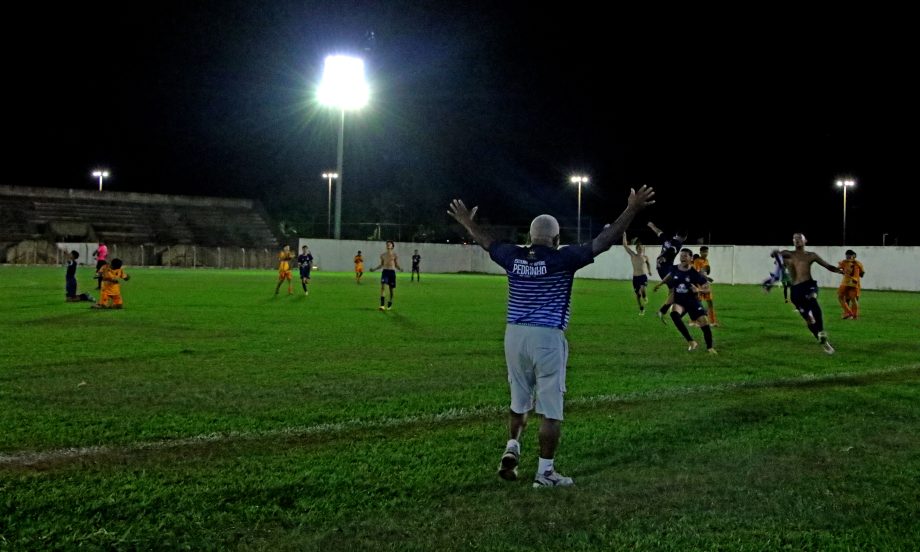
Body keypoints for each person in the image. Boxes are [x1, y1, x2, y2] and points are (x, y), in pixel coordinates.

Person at [447, 185, 656, 488]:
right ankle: (545, 473)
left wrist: (467, 222)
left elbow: (487, 242)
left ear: (530, 237)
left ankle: (512, 447)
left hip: (513, 336)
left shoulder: (512, 256)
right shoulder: (563, 258)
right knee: (551, 410)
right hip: (546, 336)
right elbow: (604, 241)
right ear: (557, 240)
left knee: (519, 399)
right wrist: (633, 208)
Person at [774, 233, 843, 354]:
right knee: (809, 320)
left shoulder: (811, 256)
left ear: (805, 240)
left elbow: (827, 266)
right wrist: (776, 256)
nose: (797, 240)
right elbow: (777, 256)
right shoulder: (788, 254)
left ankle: (821, 331)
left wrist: (839, 271)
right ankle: (822, 340)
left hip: (808, 285)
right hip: (795, 290)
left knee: (813, 299)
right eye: (795, 238)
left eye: (799, 238)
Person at [653, 248, 717, 353]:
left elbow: (708, 288)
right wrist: (660, 284)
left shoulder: (695, 273)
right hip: (680, 301)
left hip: (693, 302)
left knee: (704, 323)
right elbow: (669, 276)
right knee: (674, 313)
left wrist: (698, 289)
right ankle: (691, 342)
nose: (682, 257)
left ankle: (710, 348)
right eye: (681, 256)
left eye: (685, 256)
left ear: (691, 258)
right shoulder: (674, 268)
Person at [647, 222, 687, 323]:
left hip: (662, 267)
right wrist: (664, 256)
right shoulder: (678, 243)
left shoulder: (667, 239)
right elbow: (671, 250)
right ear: (684, 237)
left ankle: (664, 310)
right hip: (666, 269)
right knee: (676, 291)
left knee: (672, 290)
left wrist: (652, 226)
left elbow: (658, 232)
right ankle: (662, 311)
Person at [622, 234, 652, 315]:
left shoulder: (645, 257)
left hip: (643, 276)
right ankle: (641, 309)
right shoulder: (633, 255)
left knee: (643, 290)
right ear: (636, 249)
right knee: (638, 296)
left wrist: (649, 271)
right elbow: (625, 245)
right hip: (635, 278)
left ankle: (645, 297)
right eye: (638, 248)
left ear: (643, 249)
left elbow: (648, 264)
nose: (640, 249)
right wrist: (624, 235)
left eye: (641, 248)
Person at [370, 241, 402, 310]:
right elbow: (381, 264)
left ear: (392, 246)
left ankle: (390, 302)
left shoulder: (394, 255)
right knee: (383, 287)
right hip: (385, 272)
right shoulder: (382, 255)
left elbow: (396, 265)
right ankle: (382, 305)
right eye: (387, 244)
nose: (388, 245)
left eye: (390, 244)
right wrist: (374, 269)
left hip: (392, 272)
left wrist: (400, 268)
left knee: (391, 289)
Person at [692, 246, 719, 326]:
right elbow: (697, 272)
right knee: (698, 303)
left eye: (706, 252)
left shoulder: (706, 260)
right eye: (704, 252)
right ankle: (697, 321)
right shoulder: (697, 261)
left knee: (710, 302)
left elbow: (705, 272)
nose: (705, 253)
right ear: (700, 252)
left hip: (706, 284)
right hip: (699, 284)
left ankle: (713, 321)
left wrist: (707, 278)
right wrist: (708, 278)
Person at [837, 249, 866, 319]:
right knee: (854, 299)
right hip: (855, 283)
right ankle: (855, 315)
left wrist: (842, 271)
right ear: (854, 256)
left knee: (841, 297)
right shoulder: (858, 263)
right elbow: (862, 274)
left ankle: (848, 312)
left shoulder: (843, 262)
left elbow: (838, 269)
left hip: (846, 282)